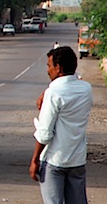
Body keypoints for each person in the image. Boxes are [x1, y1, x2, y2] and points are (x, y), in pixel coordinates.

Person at [29, 46, 93, 204]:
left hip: (54, 161)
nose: (48, 70)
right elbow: (72, 83)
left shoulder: (54, 93)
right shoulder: (86, 89)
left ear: (59, 68)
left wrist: (35, 160)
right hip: (77, 161)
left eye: (49, 65)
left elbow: (45, 133)